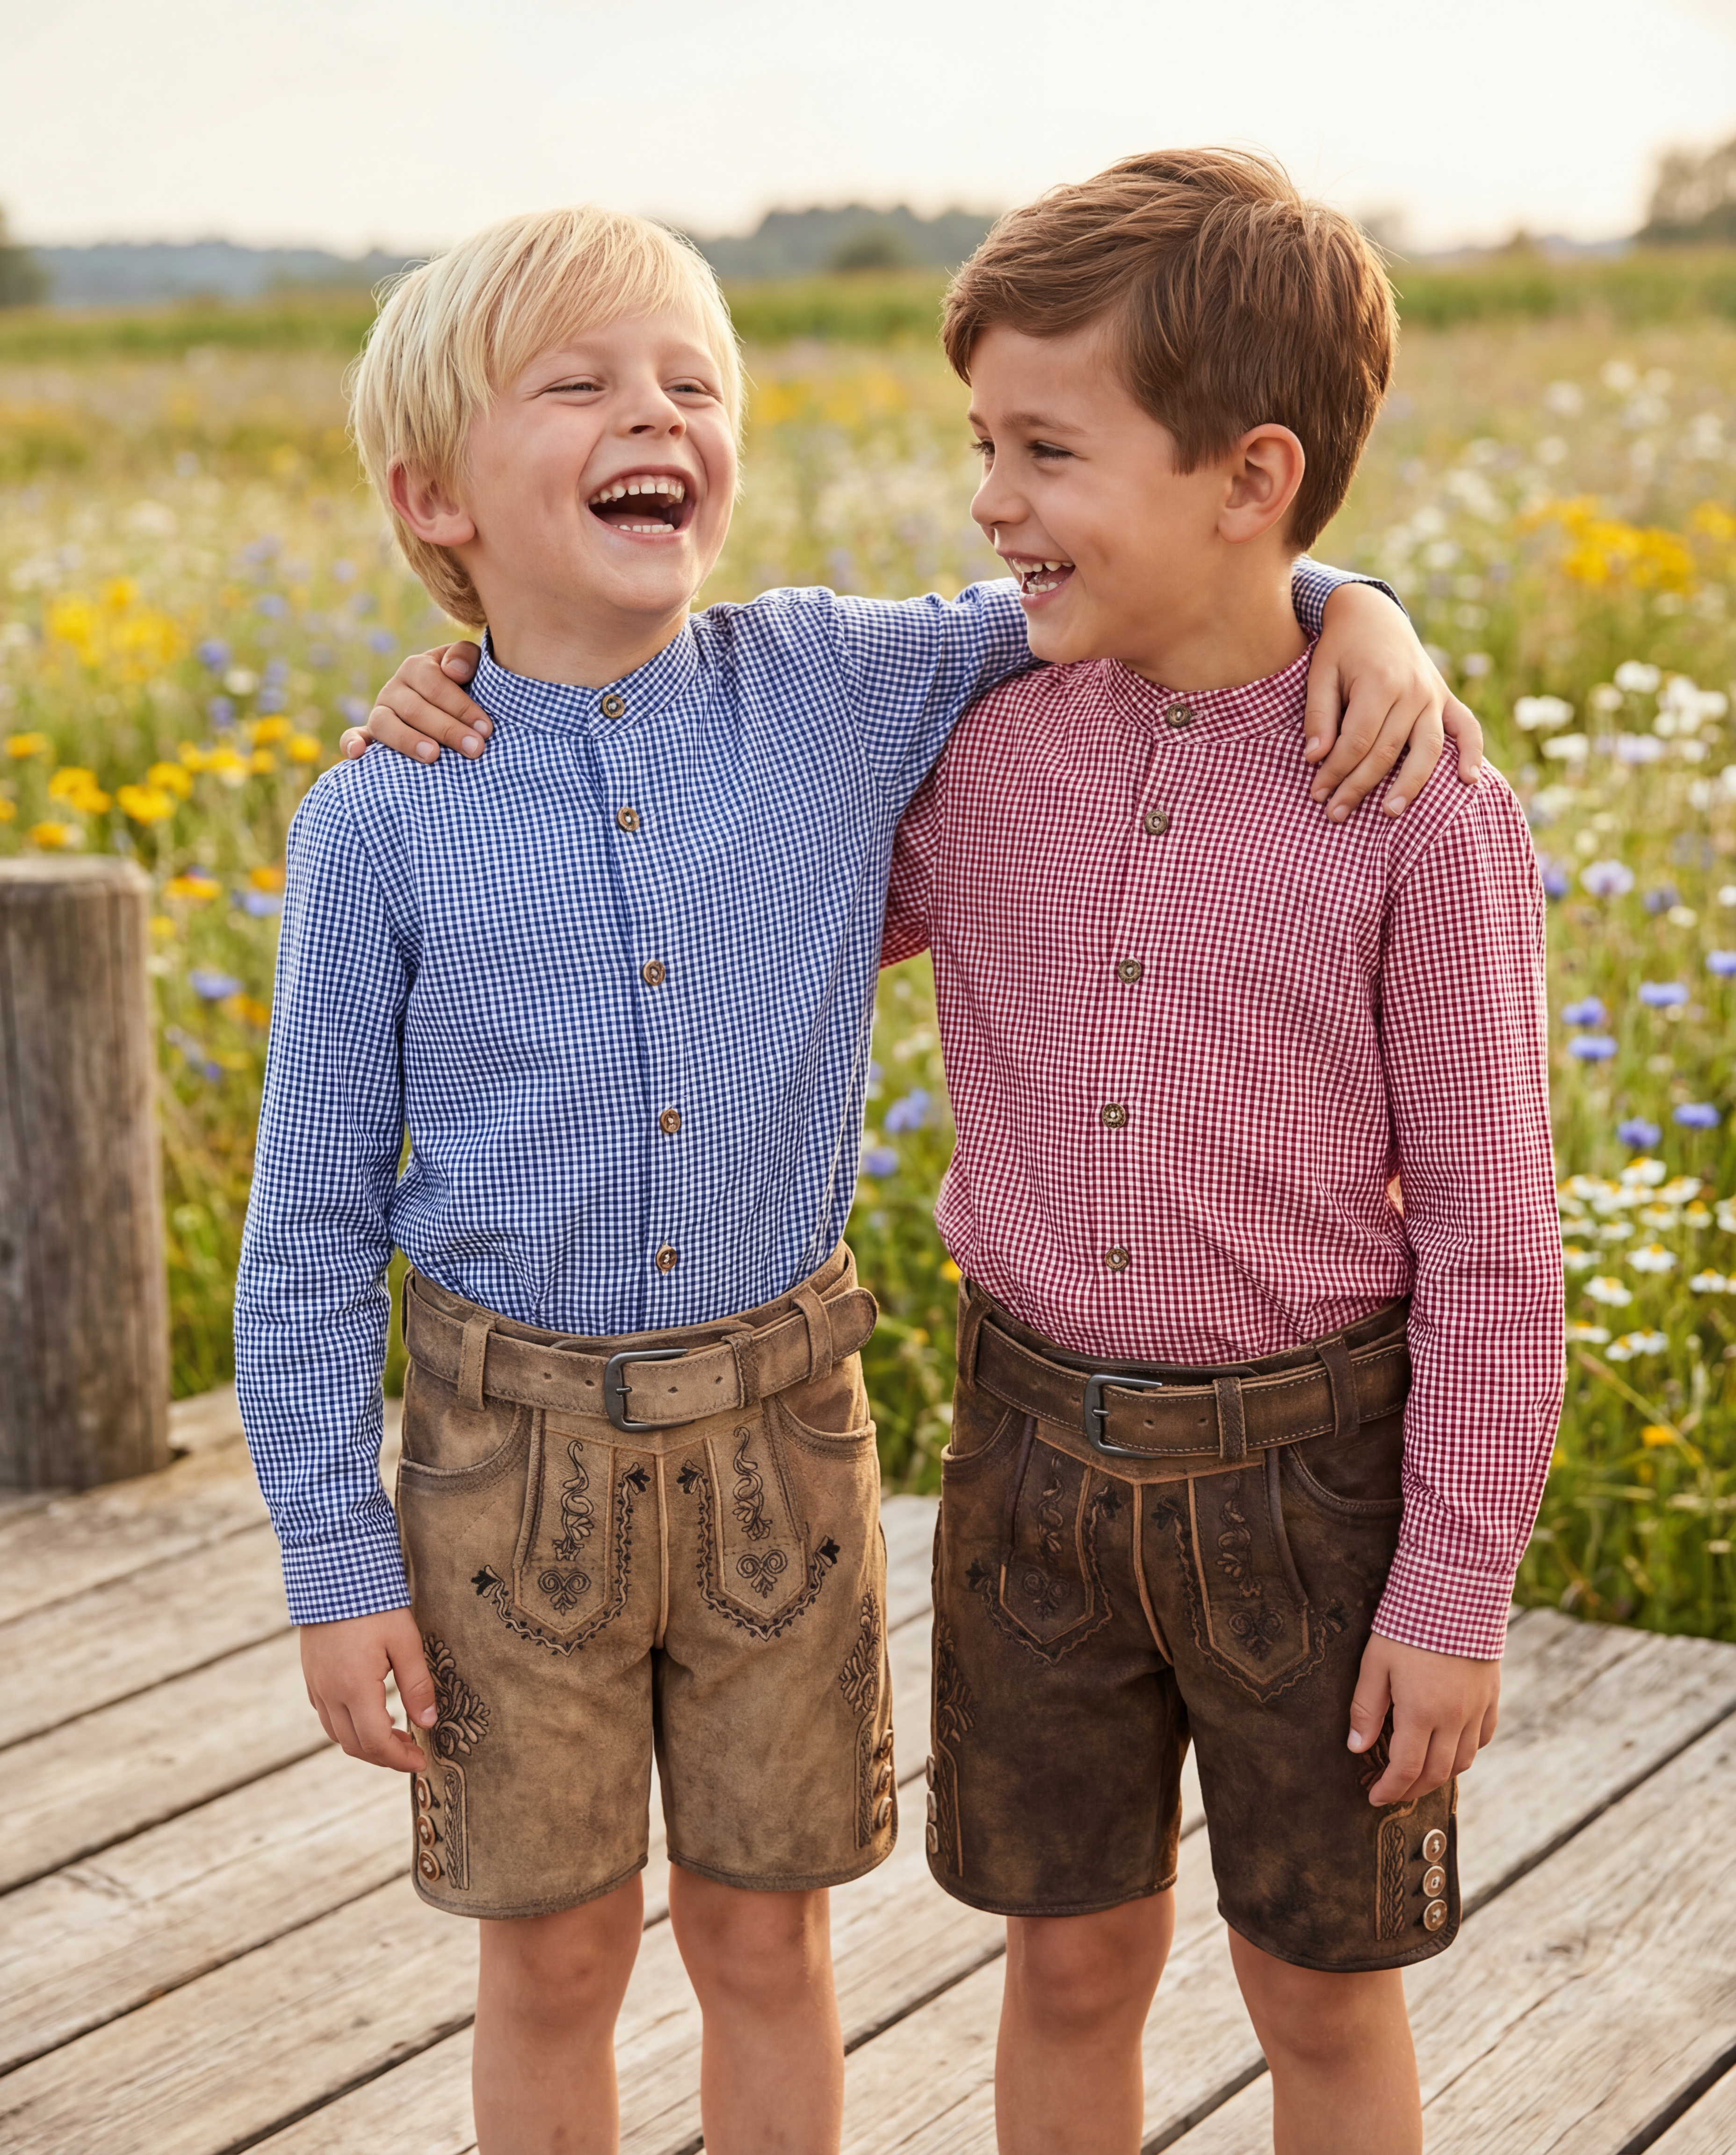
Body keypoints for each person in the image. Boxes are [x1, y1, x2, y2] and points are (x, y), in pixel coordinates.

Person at [288, 199, 1477, 2155]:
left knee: (772, 1941)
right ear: (433, 497)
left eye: (691, 381)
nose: (651, 411)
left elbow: (1183, 574)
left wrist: (1362, 606)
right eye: (576, 385)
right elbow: (310, 1218)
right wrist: (334, 1562)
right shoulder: (385, 814)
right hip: (511, 1475)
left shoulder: (843, 687)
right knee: (557, 1961)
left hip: (791, 1447)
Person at [875, 151, 1562, 2155]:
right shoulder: (979, 756)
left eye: (1044, 450)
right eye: (980, 440)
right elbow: (749, 858)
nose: (990, 498)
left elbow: (1499, 1243)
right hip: (1029, 1470)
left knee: (1321, 1998)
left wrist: (1452, 1588)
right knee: (1067, 1964)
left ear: (1248, 478)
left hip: (1315, 1494)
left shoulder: (1418, 806)